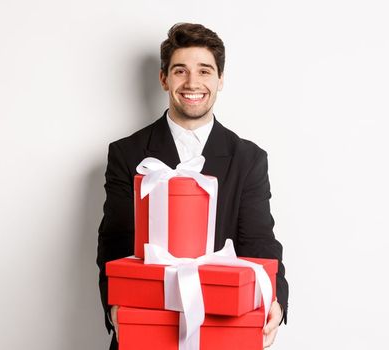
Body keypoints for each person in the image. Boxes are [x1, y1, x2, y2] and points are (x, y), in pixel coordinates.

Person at [96, 22, 289, 349]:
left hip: (223, 328)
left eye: (205, 71)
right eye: (180, 71)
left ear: (220, 80)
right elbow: (115, 244)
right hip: (147, 324)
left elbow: (259, 242)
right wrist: (116, 310)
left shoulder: (248, 158)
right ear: (164, 79)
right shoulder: (127, 153)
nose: (193, 82)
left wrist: (276, 299)